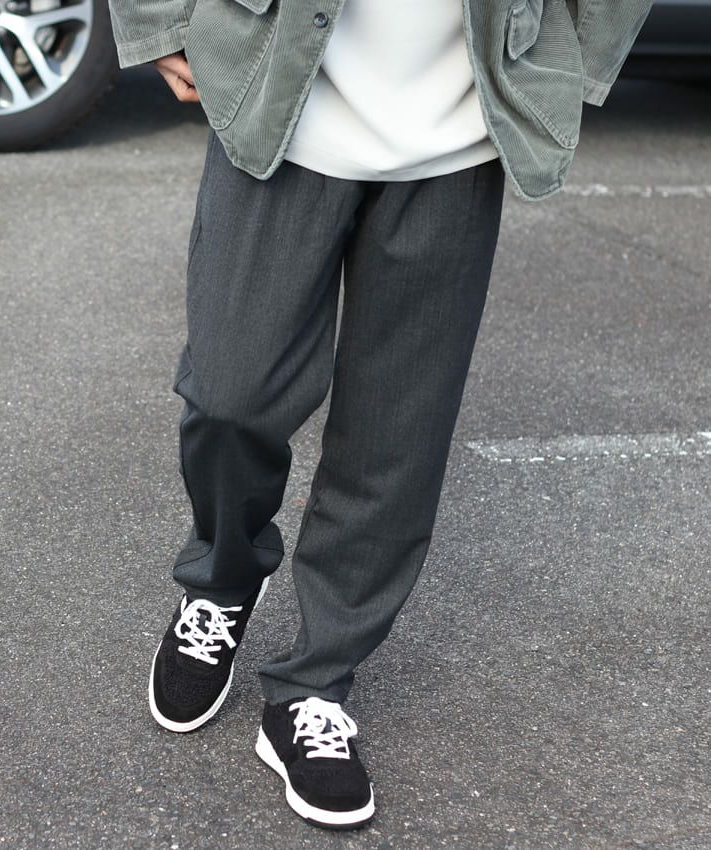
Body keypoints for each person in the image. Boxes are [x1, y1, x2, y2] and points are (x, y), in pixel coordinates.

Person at [106, 0, 653, 830]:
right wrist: (155, 22)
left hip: (458, 130)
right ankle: (221, 578)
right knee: (229, 395)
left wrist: (577, 52)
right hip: (276, 92)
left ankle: (314, 685)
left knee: (398, 432)